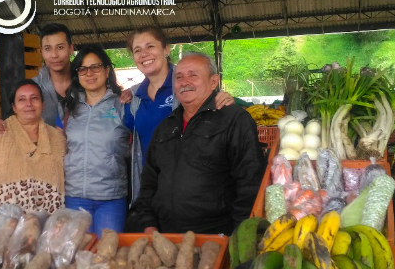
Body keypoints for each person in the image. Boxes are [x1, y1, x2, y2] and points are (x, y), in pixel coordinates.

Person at [131, 52, 266, 235]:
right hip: (165, 237)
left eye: (193, 75)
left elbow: (250, 183)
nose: (184, 82)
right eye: (179, 77)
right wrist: (148, 224)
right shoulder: (166, 126)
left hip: (215, 235)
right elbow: (149, 182)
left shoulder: (234, 120)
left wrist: (239, 235)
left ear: (213, 81)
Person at [122, 26, 235, 206]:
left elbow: (216, 112)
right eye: (137, 50)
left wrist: (225, 100)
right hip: (151, 187)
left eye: (150, 46)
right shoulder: (134, 97)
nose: (144, 54)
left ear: (166, 49)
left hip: (194, 188)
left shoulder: (188, 84)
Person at [0, 23, 131, 134]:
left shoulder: (88, 83)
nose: (54, 55)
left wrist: (131, 92)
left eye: (60, 47)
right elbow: (13, 121)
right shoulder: (32, 89)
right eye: (48, 49)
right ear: (41, 52)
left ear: (70, 48)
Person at [0, 80, 66, 219]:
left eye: (34, 98)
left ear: (43, 104)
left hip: (47, 220)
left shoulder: (56, 138)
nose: (28, 104)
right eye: (21, 100)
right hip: (6, 220)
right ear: (14, 107)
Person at [60, 45, 130, 236]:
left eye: (96, 67)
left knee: (106, 258)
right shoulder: (68, 107)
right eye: (83, 69)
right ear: (77, 74)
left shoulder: (122, 105)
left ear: (107, 70)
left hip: (111, 198)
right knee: (78, 257)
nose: (89, 74)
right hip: (74, 197)